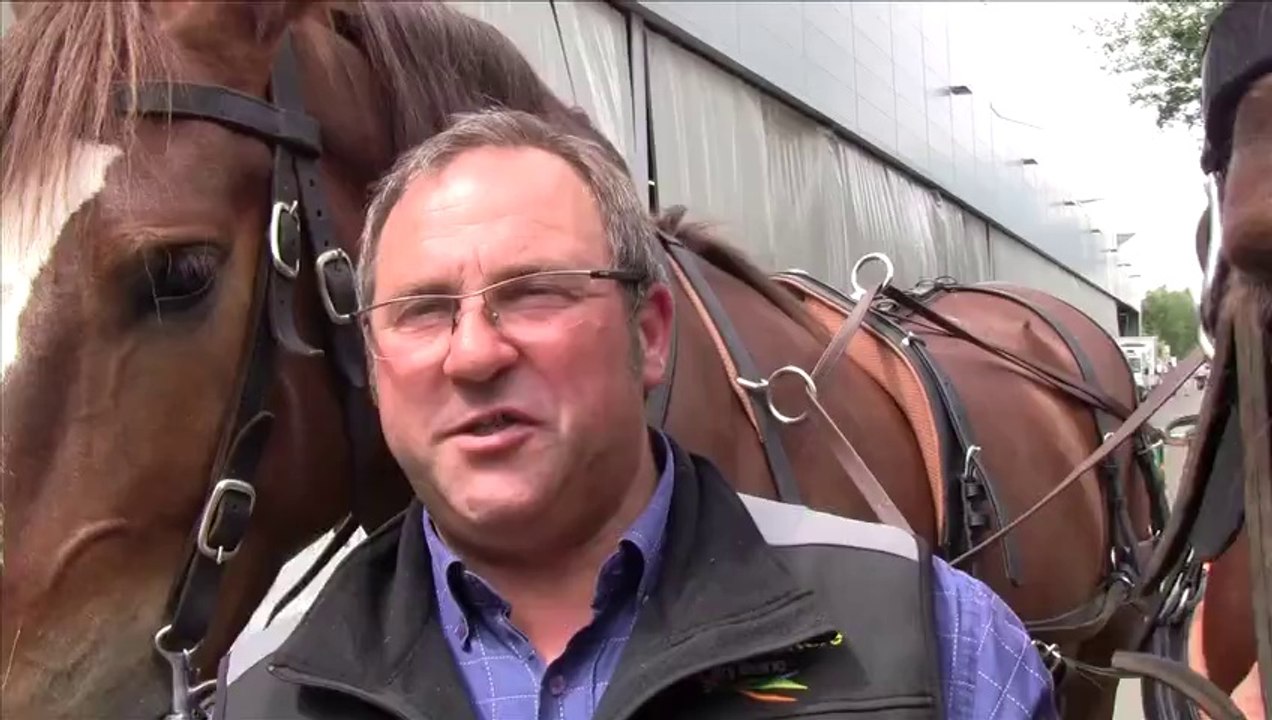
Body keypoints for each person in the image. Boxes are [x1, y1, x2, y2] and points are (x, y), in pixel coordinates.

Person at [213, 109, 1057, 720]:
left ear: (648, 336)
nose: (473, 355)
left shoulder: (933, 643)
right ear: (375, 365)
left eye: (533, 293)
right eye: (423, 310)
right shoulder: (261, 695)